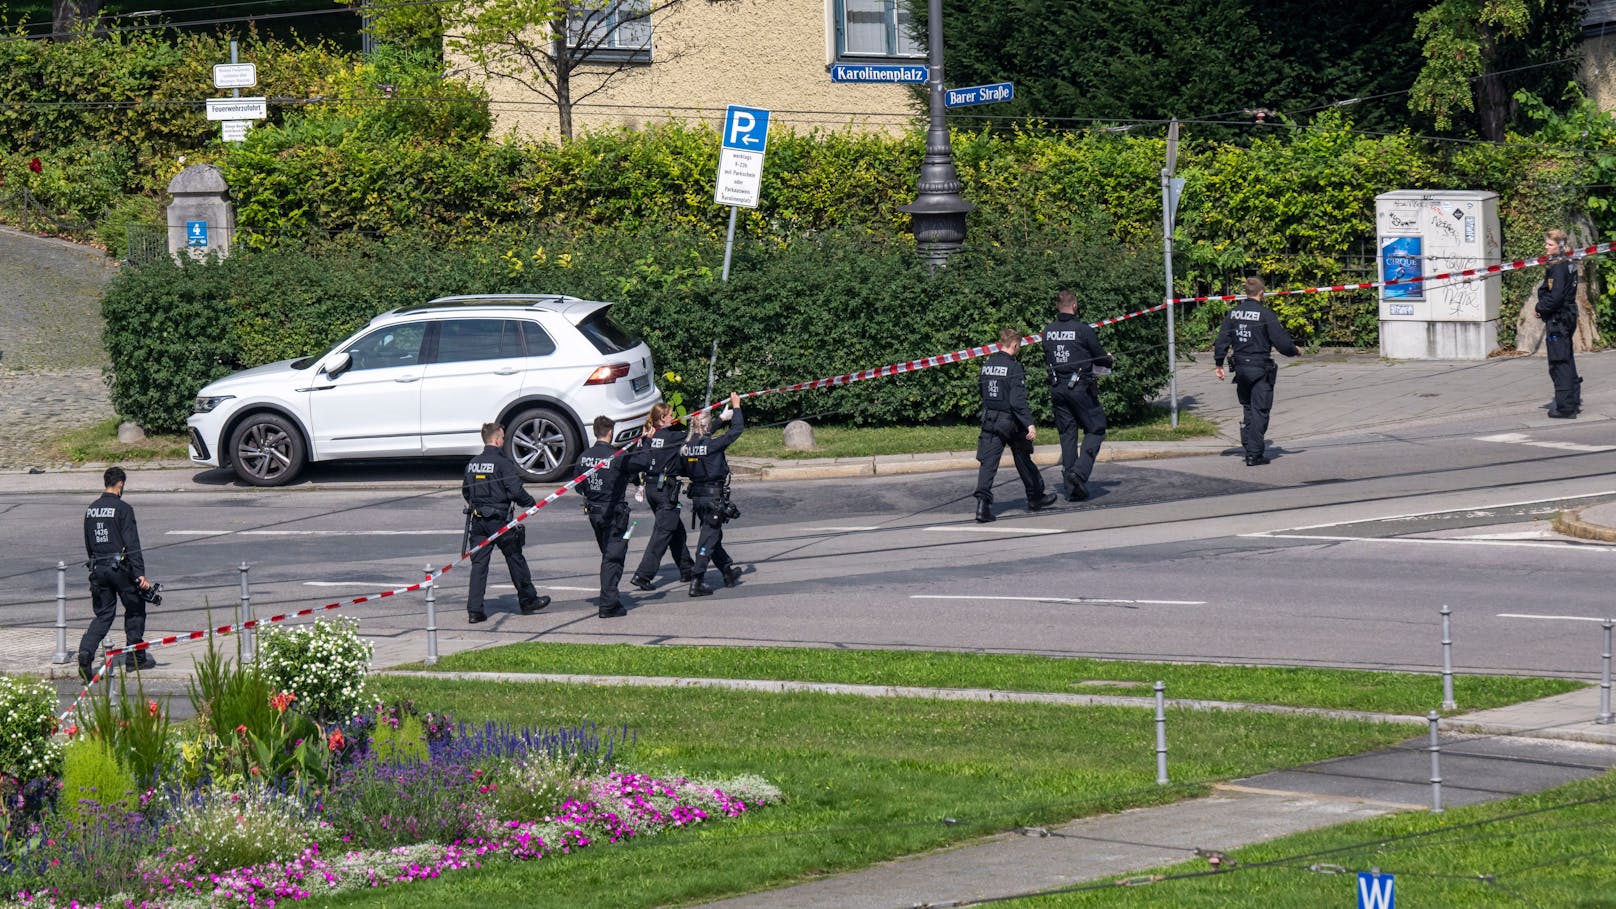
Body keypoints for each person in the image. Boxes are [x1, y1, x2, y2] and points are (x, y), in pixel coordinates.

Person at [462, 422, 549, 623]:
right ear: (495, 439)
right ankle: (528, 600)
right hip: (499, 521)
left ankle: (475, 611)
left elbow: (466, 491)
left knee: (479, 565)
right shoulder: (503, 463)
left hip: (478, 521)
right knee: (515, 557)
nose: (503, 440)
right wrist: (531, 505)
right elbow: (515, 490)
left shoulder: (473, 463)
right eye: (502, 437)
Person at [974, 327, 1058, 522]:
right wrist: (1029, 424)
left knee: (988, 463)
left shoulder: (987, 364)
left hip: (990, 419)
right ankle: (1036, 497)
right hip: (1010, 420)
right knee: (1022, 457)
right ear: (1014, 344)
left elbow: (982, 391)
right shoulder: (1014, 367)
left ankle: (982, 506)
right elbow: (1017, 401)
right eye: (1018, 346)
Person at [1214, 277, 1300, 466]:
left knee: (1248, 408)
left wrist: (1218, 364)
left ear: (1246, 292)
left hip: (1241, 369)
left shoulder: (1234, 313)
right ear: (1261, 292)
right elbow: (1281, 341)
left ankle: (1249, 444)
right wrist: (1294, 351)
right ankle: (1254, 454)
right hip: (1260, 368)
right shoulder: (1265, 314)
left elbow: (1223, 338)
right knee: (1260, 410)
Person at [80, 466, 155, 681]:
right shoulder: (123, 509)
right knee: (135, 607)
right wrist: (140, 574)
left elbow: (89, 543)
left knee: (104, 615)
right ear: (120, 484)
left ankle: (86, 652)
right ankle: (135, 659)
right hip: (120, 569)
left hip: (98, 568)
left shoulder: (91, 509)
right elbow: (132, 544)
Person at [1043, 290, 1115, 502]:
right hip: (1080, 389)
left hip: (1057, 389)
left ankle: (1072, 487)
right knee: (1096, 428)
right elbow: (1100, 358)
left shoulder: (1048, 331)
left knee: (1067, 435)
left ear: (1058, 306)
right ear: (1074, 306)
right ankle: (1079, 473)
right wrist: (1109, 360)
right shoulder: (1083, 330)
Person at [578, 415, 650, 618]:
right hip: (613, 513)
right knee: (613, 557)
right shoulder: (616, 456)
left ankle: (611, 597)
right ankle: (608, 604)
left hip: (593, 511)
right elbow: (642, 462)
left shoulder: (584, 456)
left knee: (608, 554)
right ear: (610, 433)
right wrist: (647, 441)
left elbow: (578, 485)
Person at [681, 392, 746, 597]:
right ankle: (697, 579)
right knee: (708, 538)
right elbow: (736, 430)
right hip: (713, 497)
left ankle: (727, 571)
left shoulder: (686, 447)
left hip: (698, 499)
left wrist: (719, 420)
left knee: (713, 535)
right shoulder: (712, 445)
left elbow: (702, 435)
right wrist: (736, 408)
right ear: (707, 427)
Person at [628, 403, 695, 591]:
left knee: (675, 530)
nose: (673, 417)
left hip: (651, 488)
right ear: (662, 418)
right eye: (670, 415)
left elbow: (635, 461)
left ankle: (687, 568)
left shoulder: (647, 437)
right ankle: (643, 575)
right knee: (662, 534)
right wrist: (718, 421)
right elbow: (694, 437)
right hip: (665, 489)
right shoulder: (671, 436)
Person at [1536, 229, 1582, 418]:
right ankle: (1572, 399)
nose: (1546, 247)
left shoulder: (1558, 267)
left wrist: (1540, 307)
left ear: (1560, 246)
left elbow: (1555, 297)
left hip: (1559, 318)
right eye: (1546, 243)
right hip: (1567, 315)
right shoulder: (1568, 264)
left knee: (1559, 361)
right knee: (1567, 357)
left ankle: (1565, 407)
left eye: (1550, 244)